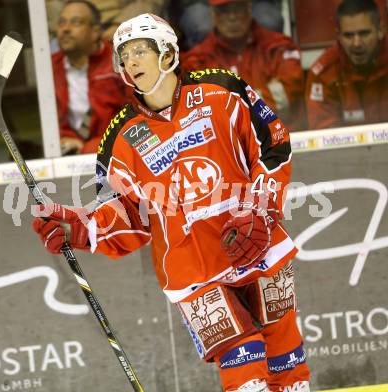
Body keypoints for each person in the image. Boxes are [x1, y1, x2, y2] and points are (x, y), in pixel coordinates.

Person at [32, 13, 310, 391]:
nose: (130, 62)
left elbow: (273, 147)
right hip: (192, 268)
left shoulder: (223, 91)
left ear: (167, 54)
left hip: (257, 244)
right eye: (123, 55)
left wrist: (259, 209)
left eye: (139, 51)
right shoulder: (119, 140)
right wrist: (81, 227)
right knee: (246, 371)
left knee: (286, 363)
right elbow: (129, 215)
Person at [181, 0, 306, 131]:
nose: (232, 17)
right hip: (229, 144)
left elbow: (289, 90)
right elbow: (200, 110)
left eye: (238, 9)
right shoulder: (196, 60)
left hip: (281, 138)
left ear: (249, 9)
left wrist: (228, 103)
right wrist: (263, 94)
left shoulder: (279, 47)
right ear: (213, 14)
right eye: (224, 10)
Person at [53, 0, 127, 154]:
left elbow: (140, 119)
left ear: (95, 32)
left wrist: (92, 146)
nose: (65, 29)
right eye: (61, 23)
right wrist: (62, 140)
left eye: (76, 23)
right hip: (68, 152)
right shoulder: (50, 68)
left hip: (117, 150)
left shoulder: (121, 63)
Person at [305, 0, 388, 129]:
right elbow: (325, 137)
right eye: (348, 35)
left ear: (381, 31)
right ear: (338, 35)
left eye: (364, 33)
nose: (357, 43)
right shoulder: (324, 73)